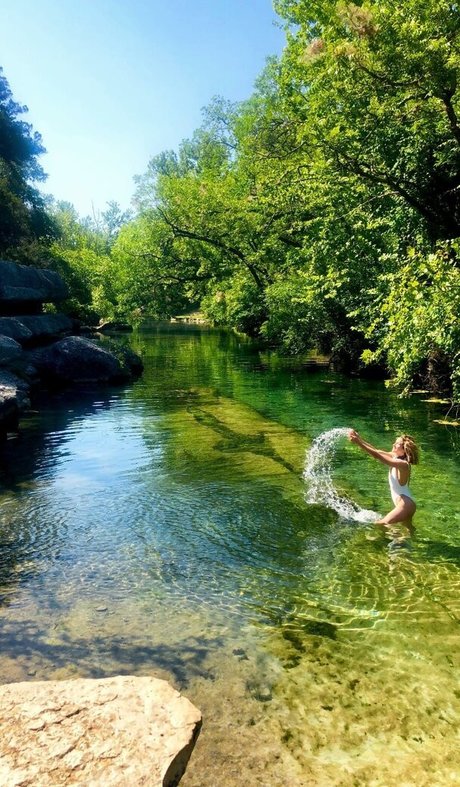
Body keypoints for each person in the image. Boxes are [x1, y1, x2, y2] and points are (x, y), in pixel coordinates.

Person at [348, 430, 419, 526]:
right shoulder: (395, 456)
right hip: (406, 504)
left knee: (380, 524)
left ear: (404, 450)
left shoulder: (403, 464)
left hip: (405, 505)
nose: (393, 444)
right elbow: (376, 451)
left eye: (397, 443)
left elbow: (377, 456)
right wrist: (359, 439)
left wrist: (358, 443)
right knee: (406, 531)